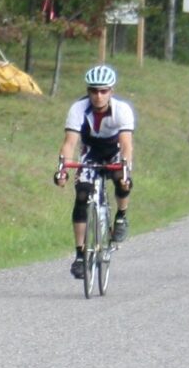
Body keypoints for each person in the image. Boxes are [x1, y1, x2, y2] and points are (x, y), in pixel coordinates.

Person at [54, 64, 135, 276]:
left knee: (121, 179)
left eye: (103, 91)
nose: (98, 96)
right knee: (82, 195)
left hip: (114, 151)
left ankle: (121, 216)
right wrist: (63, 170)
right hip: (91, 152)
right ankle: (80, 255)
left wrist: (126, 170)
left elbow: (126, 145)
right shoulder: (78, 109)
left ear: (111, 91)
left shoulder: (122, 110)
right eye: (93, 90)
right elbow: (70, 143)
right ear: (88, 91)